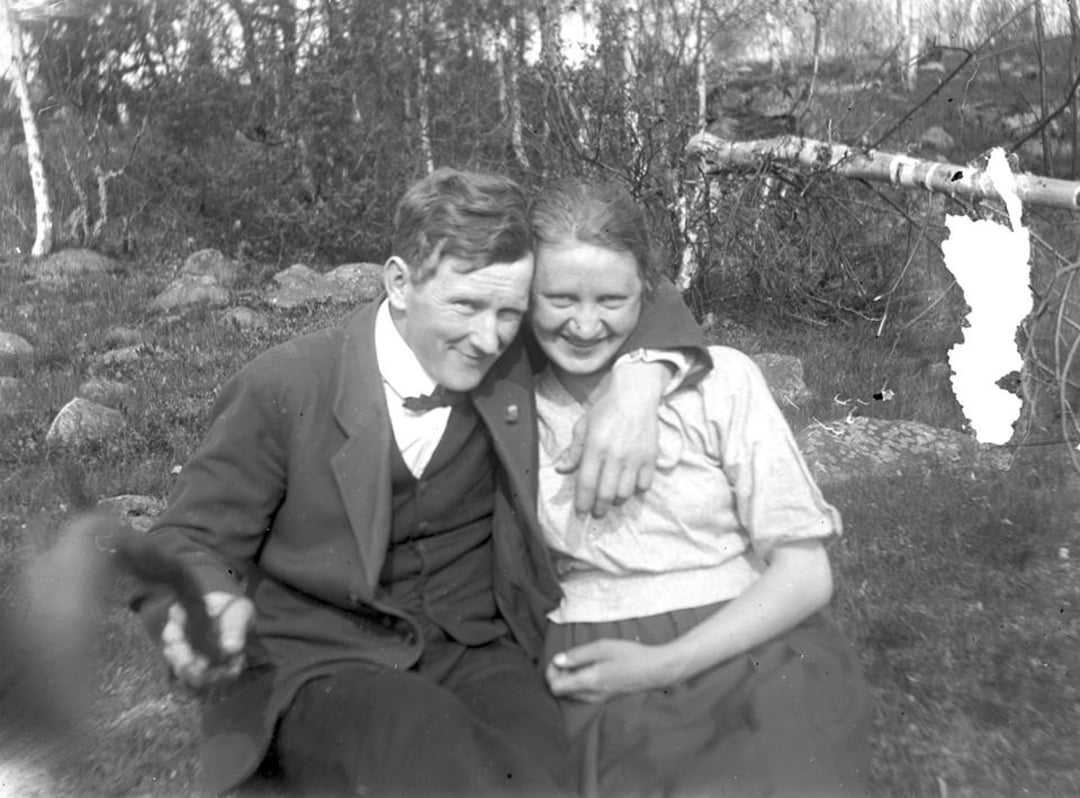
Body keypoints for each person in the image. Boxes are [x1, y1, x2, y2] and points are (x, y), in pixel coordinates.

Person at [130, 168, 708, 797]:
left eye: (510, 311)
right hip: (322, 663)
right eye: (465, 305)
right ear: (399, 283)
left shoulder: (508, 356)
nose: (488, 337)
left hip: (475, 650)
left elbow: (646, 298)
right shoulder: (286, 385)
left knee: (544, 764)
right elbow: (188, 540)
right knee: (423, 747)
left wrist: (638, 381)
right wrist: (205, 603)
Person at [528, 179, 872, 798]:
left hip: (756, 645)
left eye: (612, 298)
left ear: (647, 293)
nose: (584, 324)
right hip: (598, 654)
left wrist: (663, 664)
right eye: (557, 298)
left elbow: (806, 574)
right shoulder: (510, 405)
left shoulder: (723, 383)